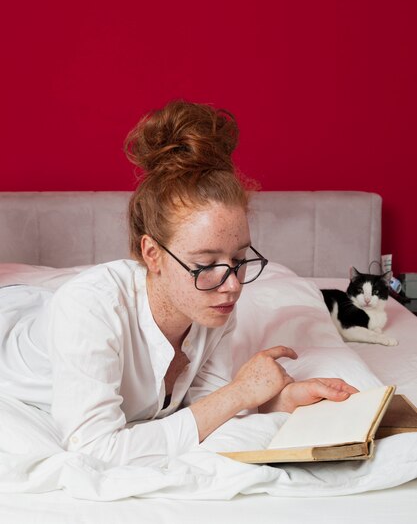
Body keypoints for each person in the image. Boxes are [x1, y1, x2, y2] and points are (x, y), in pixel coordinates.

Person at [0, 100, 356, 466]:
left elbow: (207, 408)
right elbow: (95, 449)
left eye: (238, 260)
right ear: (152, 254)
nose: (232, 285)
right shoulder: (88, 309)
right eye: (205, 263)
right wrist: (239, 393)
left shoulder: (213, 305)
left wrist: (283, 401)